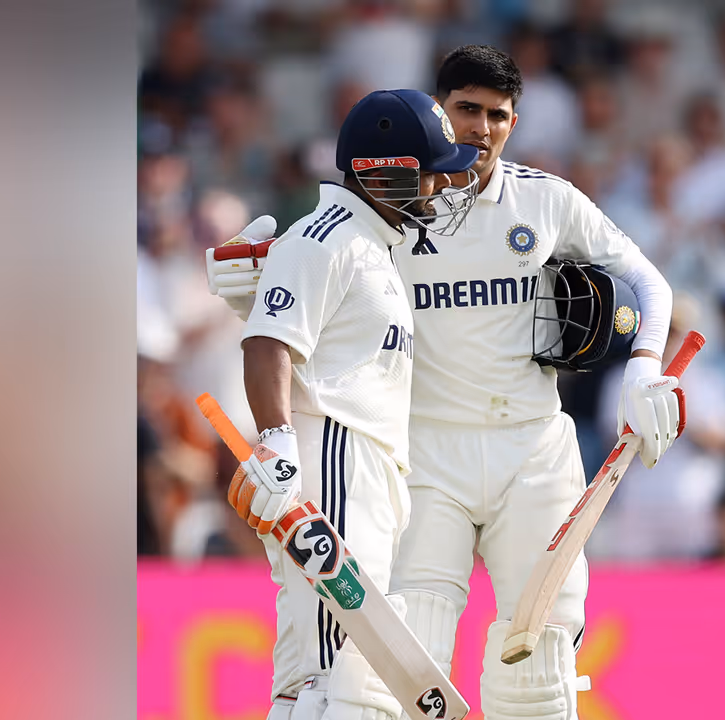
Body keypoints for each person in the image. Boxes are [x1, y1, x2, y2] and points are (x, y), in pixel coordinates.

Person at [210, 46, 683, 719]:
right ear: (440, 110)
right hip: (424, 456)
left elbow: (648, 282)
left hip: (532, 449)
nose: (482, 128)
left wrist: (643, 366)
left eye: (499, 115)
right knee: (405, 667)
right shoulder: (393, 203)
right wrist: (246, 283)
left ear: (515, 122)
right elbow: (300, 280)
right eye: (468, 110)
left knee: (539, 669)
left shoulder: (543, 200)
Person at [226, 88, 479, 720]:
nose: (439, 187)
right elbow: (268, 341)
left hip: (365, 469)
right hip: (334, 460)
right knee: (341, 678)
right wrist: (277, 440)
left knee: (310, 679)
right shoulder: (326, 237)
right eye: (427, 172)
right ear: (383, 170)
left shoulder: (375, 244)